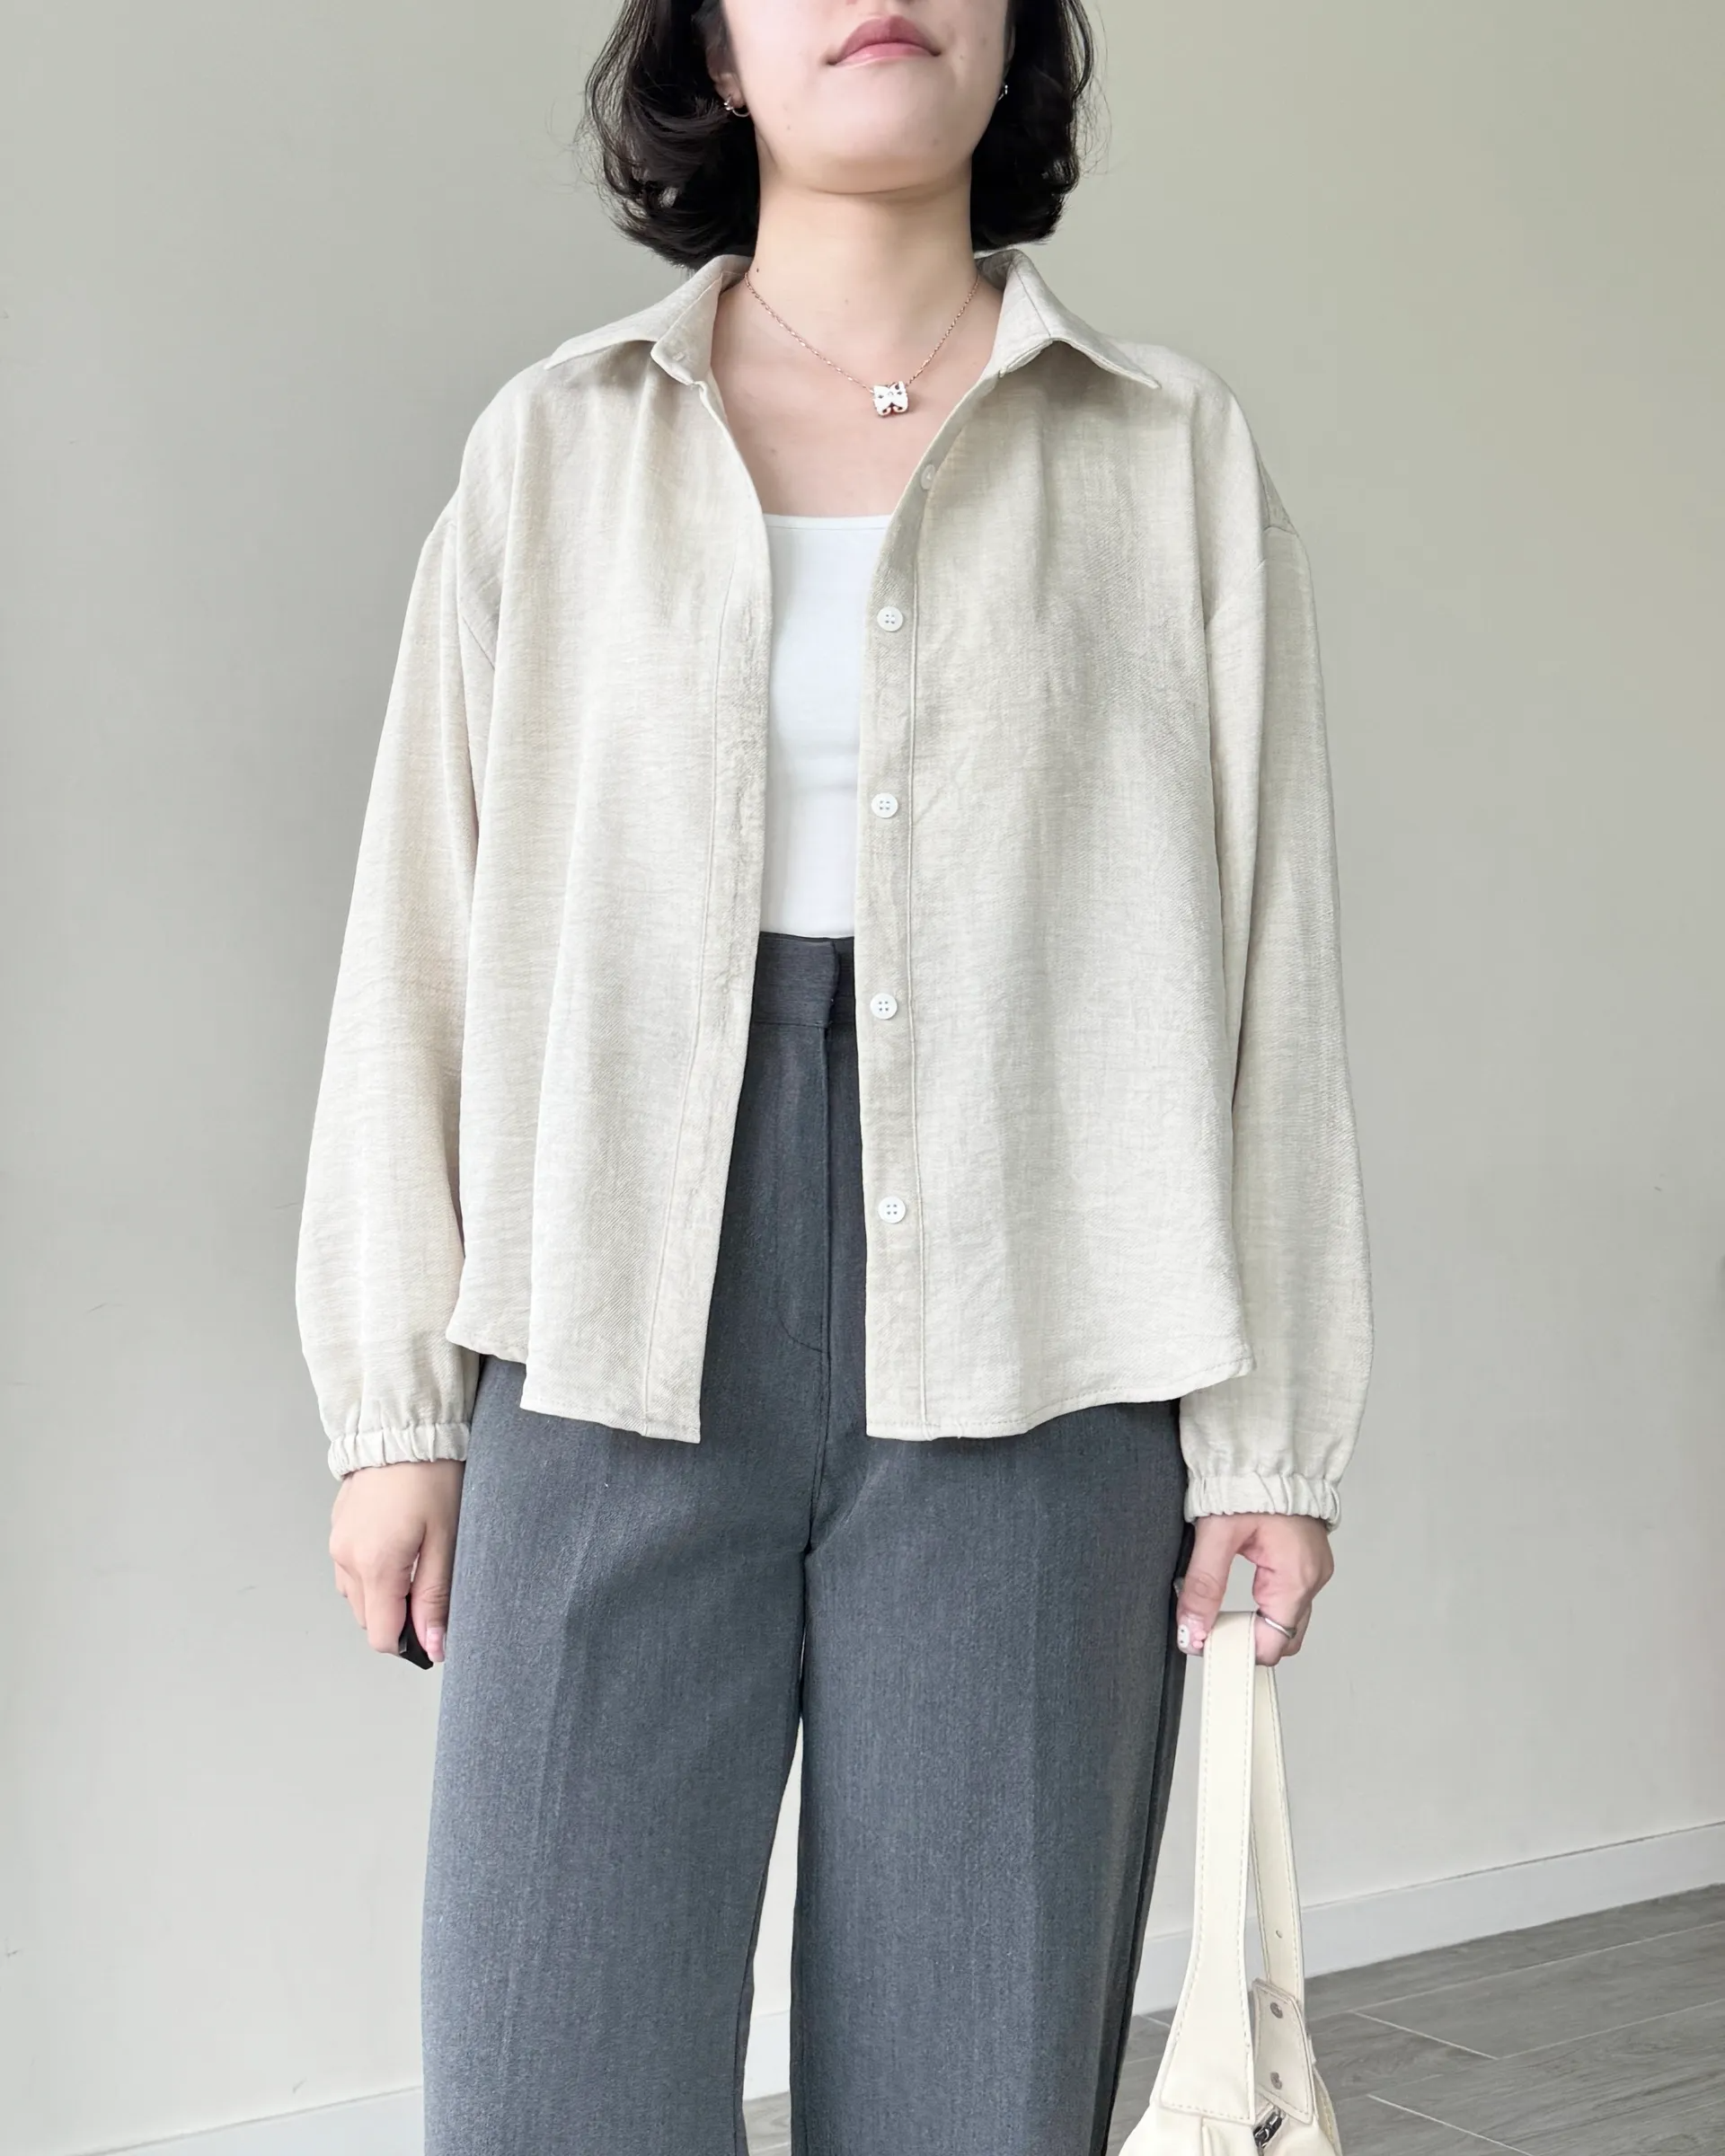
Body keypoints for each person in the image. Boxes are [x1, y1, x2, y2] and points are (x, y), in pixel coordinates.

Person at [293, 3, 1374, 2151]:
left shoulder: (1166, 456)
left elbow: (1272, 964)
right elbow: (422, 929)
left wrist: (1273, 1442)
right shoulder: (559, 447)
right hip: (606, 1336)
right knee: (544, 2085)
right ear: (711, 46)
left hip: (1045, 1357)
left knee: (978, 2093)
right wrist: (394, 1404)